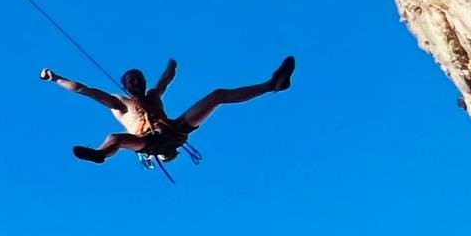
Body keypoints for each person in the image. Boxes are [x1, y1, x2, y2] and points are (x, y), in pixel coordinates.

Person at [39, 56, 296, 163]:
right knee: (116, 138)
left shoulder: (153, 94)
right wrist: (56, 78)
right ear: (124, 85)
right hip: (145, 141)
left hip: (175, 131)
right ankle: (100, 155)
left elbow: (165, 80)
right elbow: (84, 89)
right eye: (130, 81)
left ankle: (272, 84)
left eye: (138, 79)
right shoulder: (120, 103)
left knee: (217, 95)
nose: (136, 83)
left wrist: (172, 66)